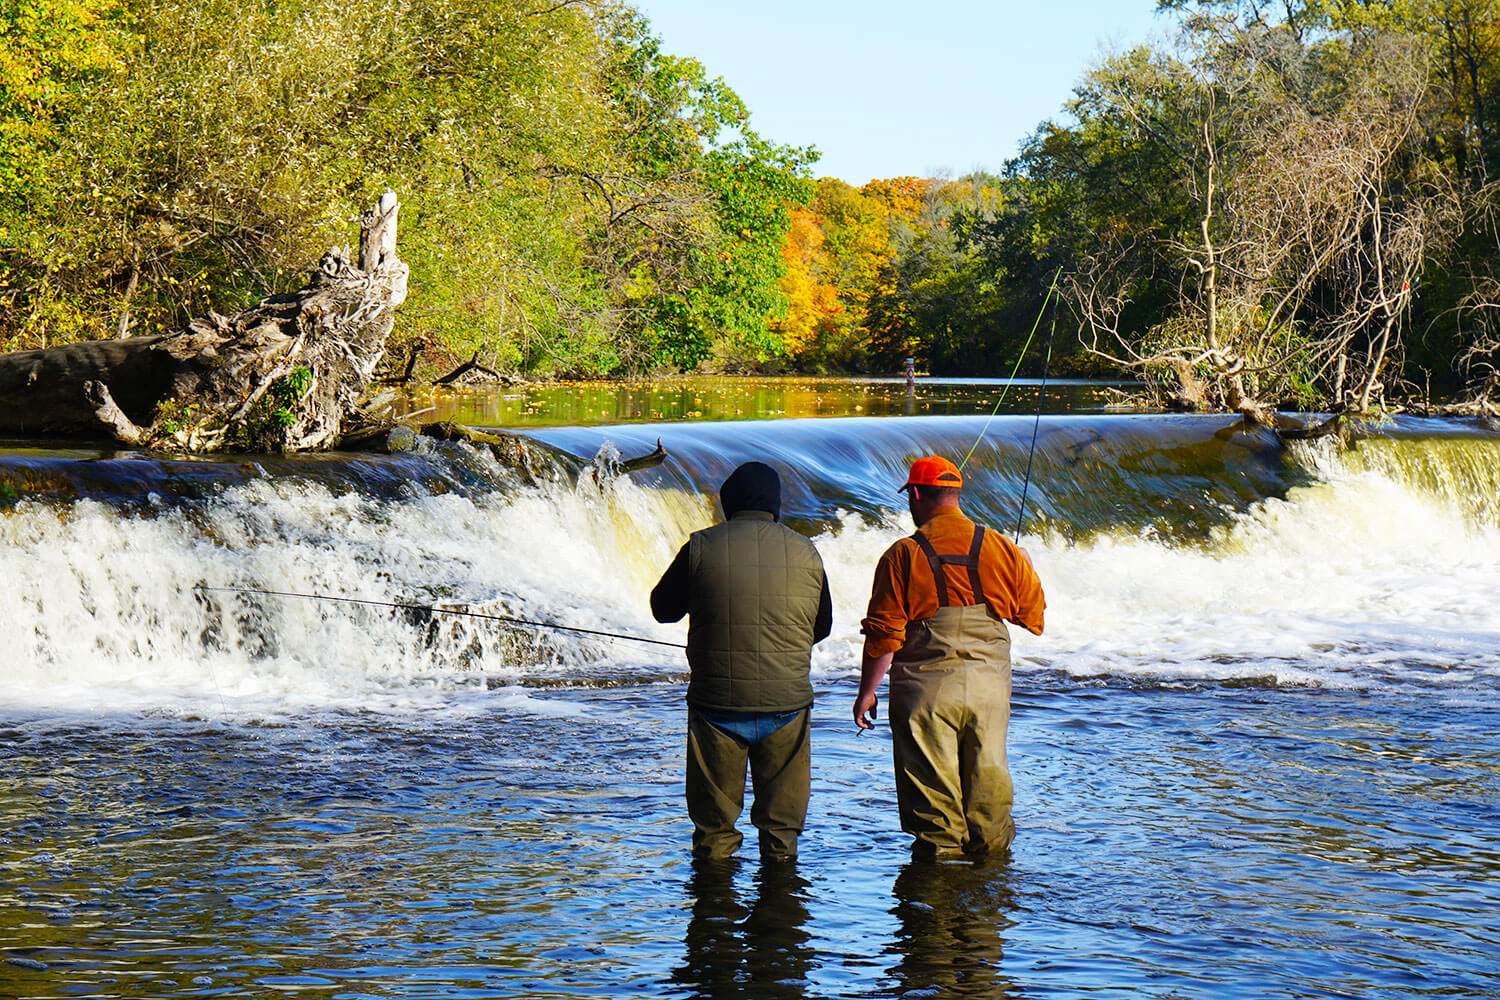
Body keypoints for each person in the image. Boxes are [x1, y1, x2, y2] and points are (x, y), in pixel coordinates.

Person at [854, 455, 1045, 858]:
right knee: (989, 795)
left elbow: (884, 634)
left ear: (917, 495)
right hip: (988, 693)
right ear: (957, 495)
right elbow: (1032, 615)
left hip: (925, 695)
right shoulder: (1000, 547)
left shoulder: (901, 555)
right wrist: (1026, 564)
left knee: (934, 808)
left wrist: (867, 692)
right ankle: (987, 901)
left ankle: (937, 903)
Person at [651, 461, 833, 861]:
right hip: (787, 706)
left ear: (728, 502)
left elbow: (662, 610)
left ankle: (713, 913)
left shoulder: (699, 546)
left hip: (716, 705)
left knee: (714, 831)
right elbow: (822, 627)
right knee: (781, 832)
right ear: (776, 504)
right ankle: (780, 908)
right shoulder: (807, 552)